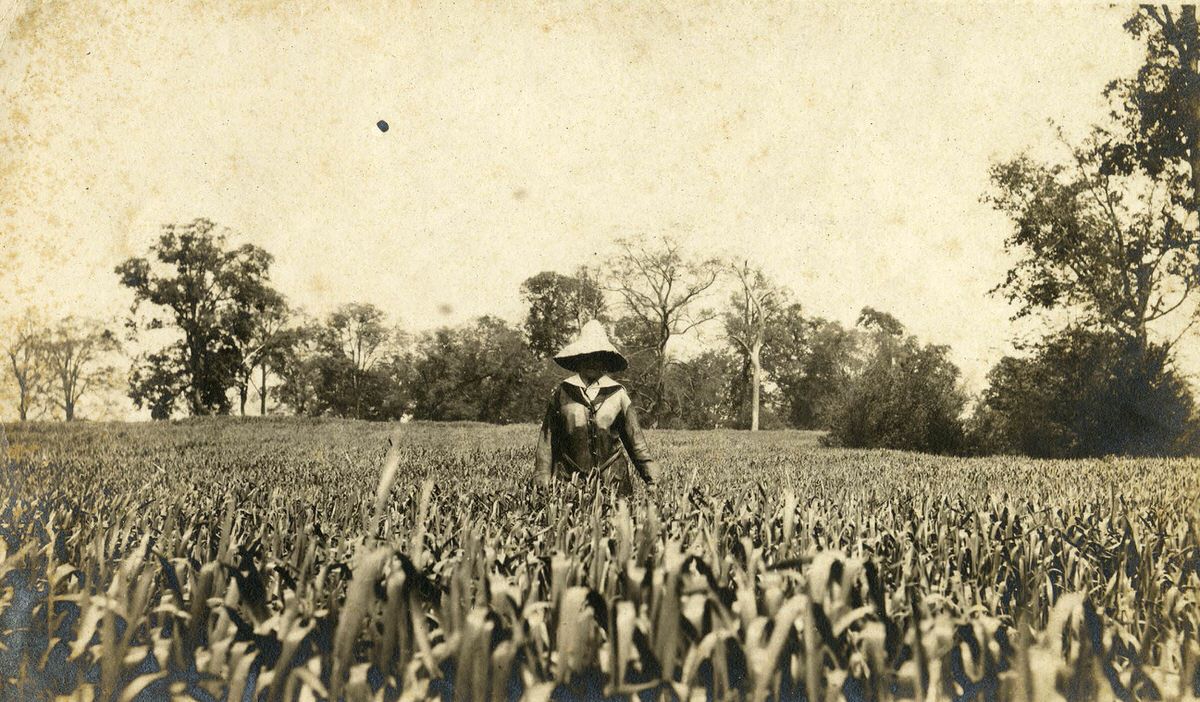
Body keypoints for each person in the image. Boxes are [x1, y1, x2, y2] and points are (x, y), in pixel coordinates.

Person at [535, 319, 658, 495]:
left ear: (605, 360)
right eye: (586, 355)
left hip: (614, 481)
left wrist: (651, 478)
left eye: (597, 356)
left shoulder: (618, 394)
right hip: (570, 480)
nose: (592, 361)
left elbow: (635, 440)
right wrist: (542, 476)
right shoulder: (563, 392)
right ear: (578, 358)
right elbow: (548, 439)